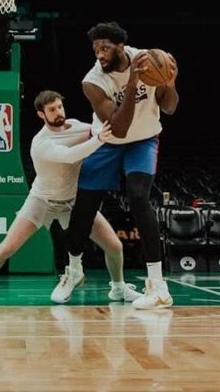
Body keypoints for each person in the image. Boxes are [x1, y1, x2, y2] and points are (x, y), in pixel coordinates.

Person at [0, 88, 138, 305]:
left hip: (73, 202)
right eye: (52, 109)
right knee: (8, 246)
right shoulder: (41, 143)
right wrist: (98, 139)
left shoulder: (79, 127)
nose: (58, 112)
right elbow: (69, 156)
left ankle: (118, 288)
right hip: (41, 201)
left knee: (114, 245)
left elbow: (106, 130)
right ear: (41, 114)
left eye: (59, 106)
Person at [53, 21, 179, 310]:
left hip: (144, 140)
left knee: (138, 197)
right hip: (108, 140)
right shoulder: (93, 82)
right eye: (96, 49)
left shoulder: (149, 59)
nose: (99, 54)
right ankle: (73, 272)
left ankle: (158, 286)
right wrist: (134, 83)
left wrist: (168, 83)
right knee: (85, 206)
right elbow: (119, 129)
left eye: (105, 48)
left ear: (121, 47)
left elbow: (169, 107)